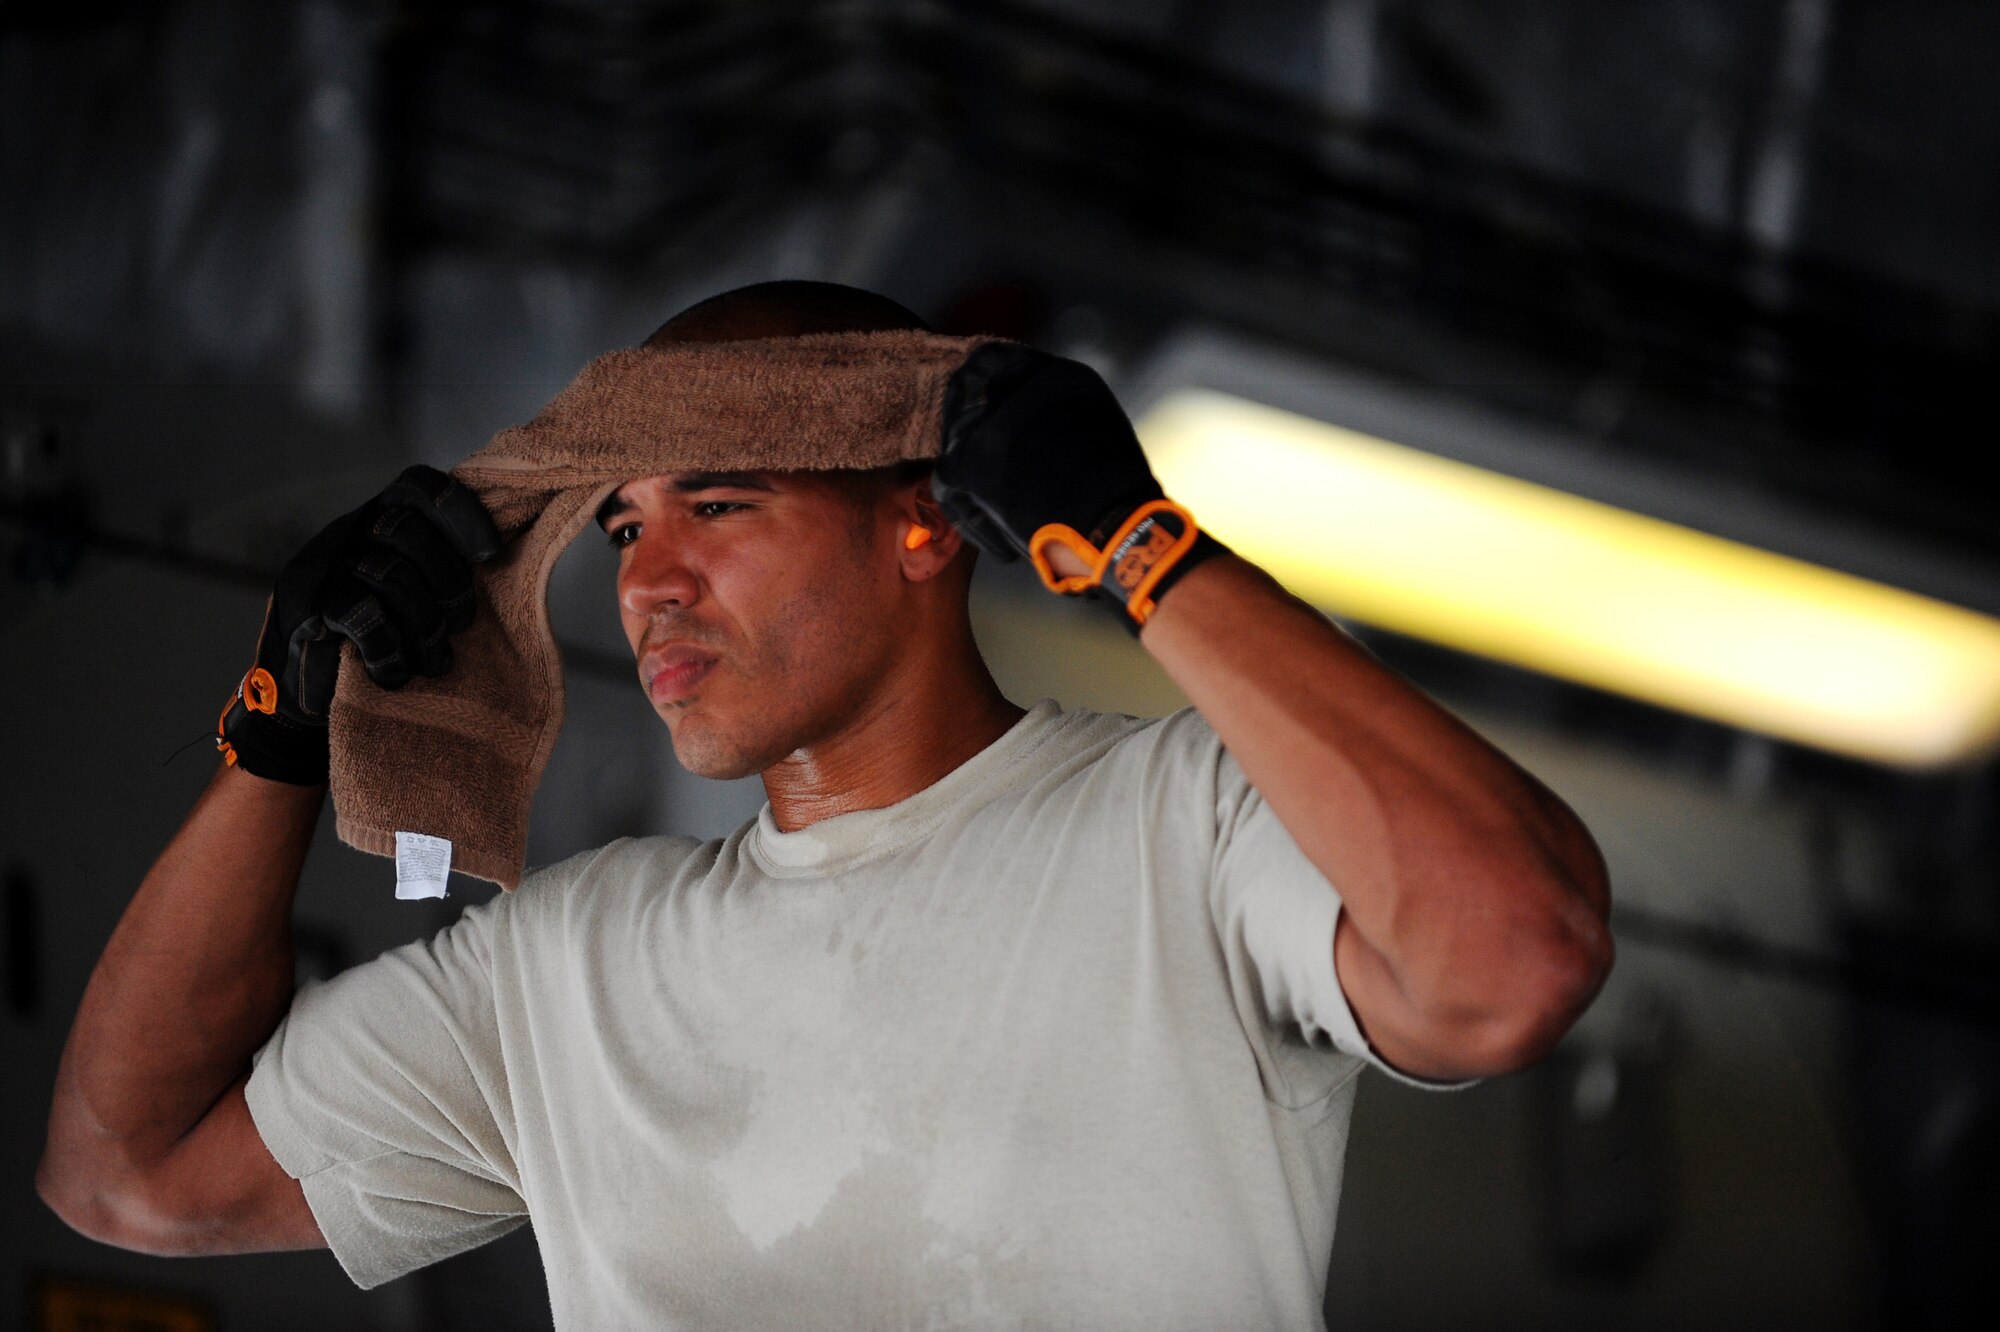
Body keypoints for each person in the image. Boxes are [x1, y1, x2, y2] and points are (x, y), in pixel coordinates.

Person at [38, 281, 1613, 1328]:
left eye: (720, 504)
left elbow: (1515, 956)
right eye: (627, 523)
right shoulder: (566, 968)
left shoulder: (1184, 828)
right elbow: (129, 1171)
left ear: (925, 528)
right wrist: (275, 732)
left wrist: (1141, 545)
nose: (647, 580)